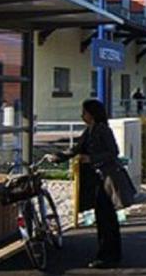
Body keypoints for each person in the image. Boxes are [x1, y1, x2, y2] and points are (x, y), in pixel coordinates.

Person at [47, 99, 122, 269]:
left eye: (84, 112)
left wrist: (92, 158)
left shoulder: (103, 130)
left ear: (92, 113)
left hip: (105, 179)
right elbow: (76, 149)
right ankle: (107, 254)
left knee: (107, 218)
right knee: (103, 218)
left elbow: (113, 152)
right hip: (96, 180)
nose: (82, 116)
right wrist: (57, 157)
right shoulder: (89, 131)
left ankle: (108, 256)